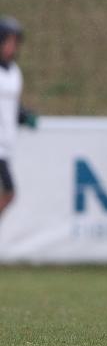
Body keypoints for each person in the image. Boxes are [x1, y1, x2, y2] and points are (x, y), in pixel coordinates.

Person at [0, 16, 37, 224]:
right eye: (8, 42)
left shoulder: (14, 73)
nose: (12, 47)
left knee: (9, 193)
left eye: (15, 42)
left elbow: (11, 106)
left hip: (6, 145)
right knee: (10, 191)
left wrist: (23, 115)